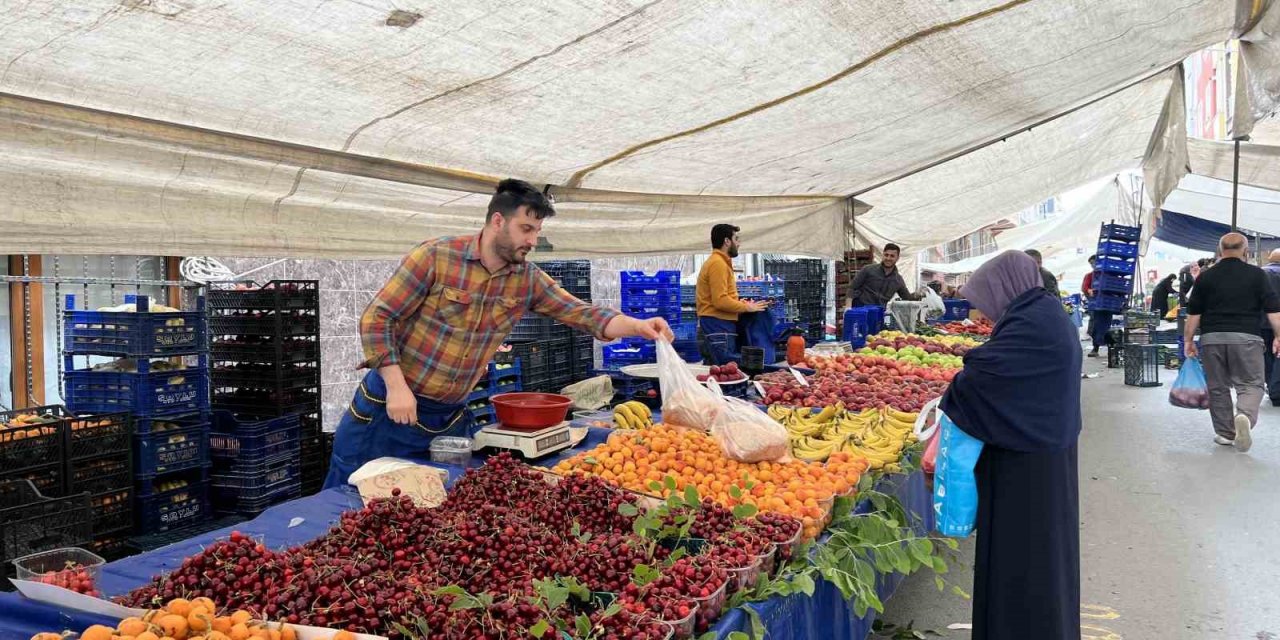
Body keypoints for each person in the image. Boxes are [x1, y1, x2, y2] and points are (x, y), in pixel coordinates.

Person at [324, 179, 674, 488]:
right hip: (389, 409)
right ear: (497, 221)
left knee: (426, 515)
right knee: (347, 507)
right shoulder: (436, 257)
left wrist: (637, 326)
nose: (533, 240)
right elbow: (377, 317)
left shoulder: (526, 279)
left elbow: (580, 312)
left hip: (447, 419)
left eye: (536, 231)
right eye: (525, 229)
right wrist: (397, 386)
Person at [940, 251, 1081, 640]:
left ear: (1005, 287)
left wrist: (961, 380)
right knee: (1039, 563)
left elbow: (983, 377)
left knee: (1021, 566)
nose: (985, 312)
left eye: (987, 298)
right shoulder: (1042, 314)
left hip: (1027, 471)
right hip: (1040, 458)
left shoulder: (1034, 323)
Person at [1184, 233, 1280, 453]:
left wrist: (1188, 340)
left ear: (1220, 251)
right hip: (1247, 338)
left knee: (1218, 387)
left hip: (1212, 339)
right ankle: (1244, 416)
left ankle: (1226, 434)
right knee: (1251, 384)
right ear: (1245, 251)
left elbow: (1194, 314)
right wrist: (1278, 336)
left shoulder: (1206, 277)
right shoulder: (1257, 275)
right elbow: (1273, 310)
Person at [695, 224, 766, 365]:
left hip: (717, 326)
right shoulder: (718, 264)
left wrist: (742, 304)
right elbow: (720, 300)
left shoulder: (718, 262)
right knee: (726, 370)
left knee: (718, 372)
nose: (738, 243)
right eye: (736, 239)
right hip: (718, 326)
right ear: (727, 241)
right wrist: (747, 307)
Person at [848, 243, 917, 307]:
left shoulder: (898, 280)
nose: (888, 258)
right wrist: (848, 308)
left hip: (879, 314)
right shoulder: (868, 269)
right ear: (883, 254)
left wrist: (919, 294)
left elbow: (907, 297)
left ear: (897, 258)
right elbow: (852, 288)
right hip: (860, 309)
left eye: (892, 256)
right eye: (886, 255)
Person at [1081, 254, 1113, 358]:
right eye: (1091, 263)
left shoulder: (1108, 275)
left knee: (1106, 327)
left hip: (1107, 305)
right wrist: (1089, 290)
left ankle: (1111, 348)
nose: (1093, 265)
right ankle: (1096, 348)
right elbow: (1085, 287)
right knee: (1094, 327)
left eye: (1094, 262)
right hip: (1095, 306)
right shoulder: (1089, 276)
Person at [1264, 249, 1280, 405]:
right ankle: (1276, 389)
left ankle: (1270, 384)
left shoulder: (1260, 273)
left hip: (1261, 322)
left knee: (1266, 354)